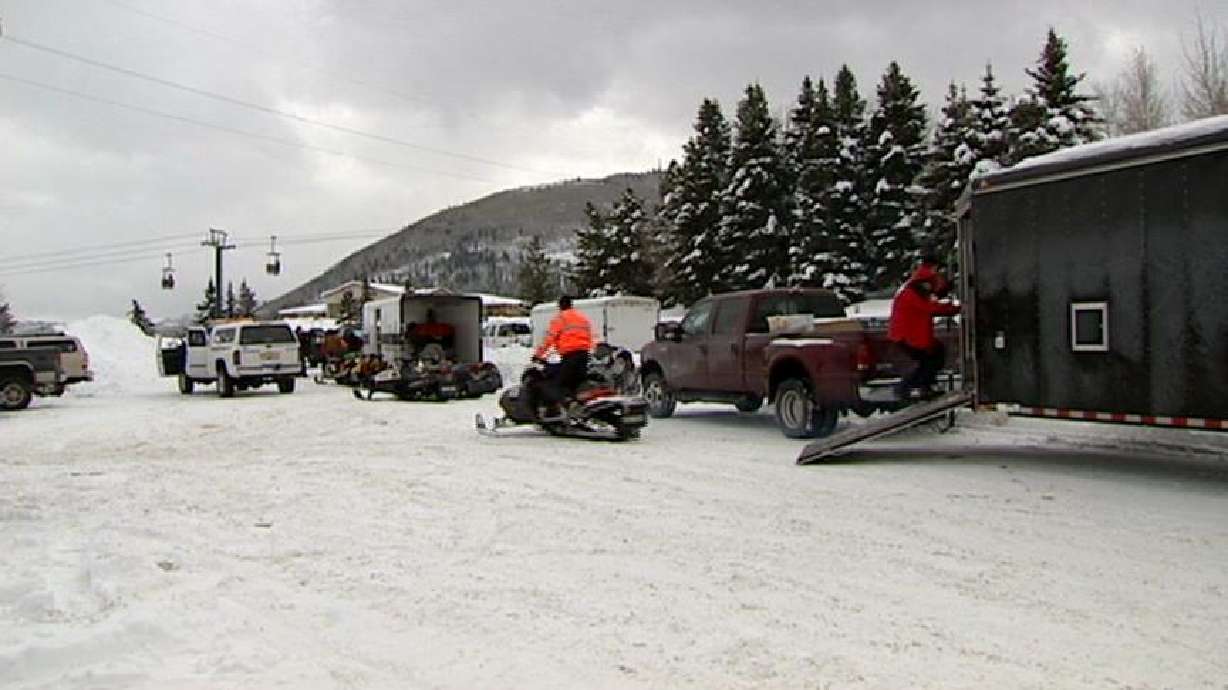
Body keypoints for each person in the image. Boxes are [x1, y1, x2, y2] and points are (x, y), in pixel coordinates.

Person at [888, 256, 960, 399]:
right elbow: (930, 307)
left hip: (911, 334)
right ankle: (907, 387)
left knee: (934, 355)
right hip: (909, 336)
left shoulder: (917, 284)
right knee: (930, 360)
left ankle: (922, 386)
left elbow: (934, 293)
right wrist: (955, 308)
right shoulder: (916, 290)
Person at [533, 295, 594, 420]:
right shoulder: (582, 318)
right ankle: (574, 409)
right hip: (583, 355)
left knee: (558, 383)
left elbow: (549, 339)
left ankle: (569, 406)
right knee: (575, 383)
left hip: (570, 355)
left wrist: (538, 355)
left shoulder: (560, 319)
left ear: (560, 306)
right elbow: (590, 337)